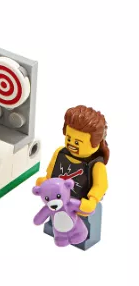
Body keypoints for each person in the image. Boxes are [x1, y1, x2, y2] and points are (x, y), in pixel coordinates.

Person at [37, 105, 109, 249]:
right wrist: (45, 182)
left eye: (77, 142)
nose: (71, 144)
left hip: (79, 203)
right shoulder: (60, 153)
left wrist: (92, 200)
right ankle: (56, 231)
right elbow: (51, 172)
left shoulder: (95, 165)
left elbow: (100, 185)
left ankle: (82, 238)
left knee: (84, 224)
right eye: (69, 138)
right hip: (57, 200)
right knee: (55, 217)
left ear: (95, 143)